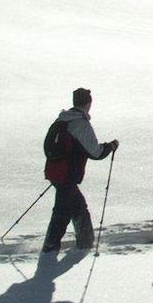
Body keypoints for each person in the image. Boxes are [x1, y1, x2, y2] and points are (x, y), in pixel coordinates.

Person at [41, 87, 117, 252]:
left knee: (76, 207)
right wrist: (110, 146)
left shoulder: (62, 119)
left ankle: (84, 243)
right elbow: (95, 153)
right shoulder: (80, 124)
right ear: (88, 103)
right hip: (67, 174)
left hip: (55, 171)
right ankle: (51, 247)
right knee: (63, 211)